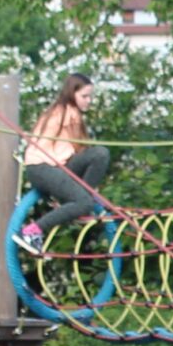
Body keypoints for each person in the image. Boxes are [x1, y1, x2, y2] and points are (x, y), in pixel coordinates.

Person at [16, 73, 111, 241]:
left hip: (59, 166)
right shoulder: (66, 113)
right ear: (71, 94)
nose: (88, 101)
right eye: (84, 96)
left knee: (99, 154)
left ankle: (81, 197)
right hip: (42, 167)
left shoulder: (66, 112)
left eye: (90, 96)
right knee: (84, 202)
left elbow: (81, 151)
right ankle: (33, 230)